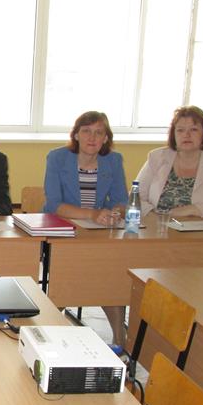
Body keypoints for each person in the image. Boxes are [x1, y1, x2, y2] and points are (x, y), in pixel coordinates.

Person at [43, 110, 128, 347]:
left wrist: (115, 214)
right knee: (75, 272)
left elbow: (121, 200)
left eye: (99, 133)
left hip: (99, 232)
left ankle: (120, 340)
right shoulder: (57, 158)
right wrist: (92, 214)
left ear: (106, 138)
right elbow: (53, 205)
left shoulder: (113, 160)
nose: (92, 137)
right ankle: (50, 326)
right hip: (63, 231)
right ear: (76, 135)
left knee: (112, 273)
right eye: (86, 131)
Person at [136, 105, 203, 217]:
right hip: (157, 224)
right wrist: (153, 216)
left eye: (194, 129)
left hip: (202, 227)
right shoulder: (156, 157)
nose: (186, 135)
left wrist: (194, 209)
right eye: (180, 130)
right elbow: (135, 197)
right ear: (174, 135)